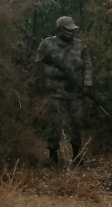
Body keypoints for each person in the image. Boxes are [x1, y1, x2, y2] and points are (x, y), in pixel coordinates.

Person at [33, 16, 93, 166]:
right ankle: (53, 156)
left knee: (77, 123)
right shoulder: (47, 44)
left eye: (73, 30)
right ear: (60, 29)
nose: (71, 33)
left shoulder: (80, 46)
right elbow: (37, 64)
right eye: (68, 30)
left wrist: (87, 85)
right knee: (55, 123)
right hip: (55, 91)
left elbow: (88, 66)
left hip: (75, 92)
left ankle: (77, 156)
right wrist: (49, 77)